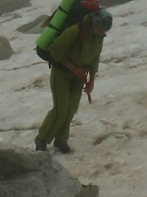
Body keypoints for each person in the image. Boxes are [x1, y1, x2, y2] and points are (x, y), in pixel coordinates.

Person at [34, 8, 113, 154]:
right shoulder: (75, 30)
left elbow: (95, 58)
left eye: (105, 30)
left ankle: (61, 140)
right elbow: (55, 50)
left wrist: (91, 81)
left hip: (79, 77)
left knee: (70, 111)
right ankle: (42, 139)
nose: (103, 32)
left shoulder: (98, 37)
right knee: (60, 110)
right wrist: (72, 67)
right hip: (62, 73)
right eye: (101, 28)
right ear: (94, 24)